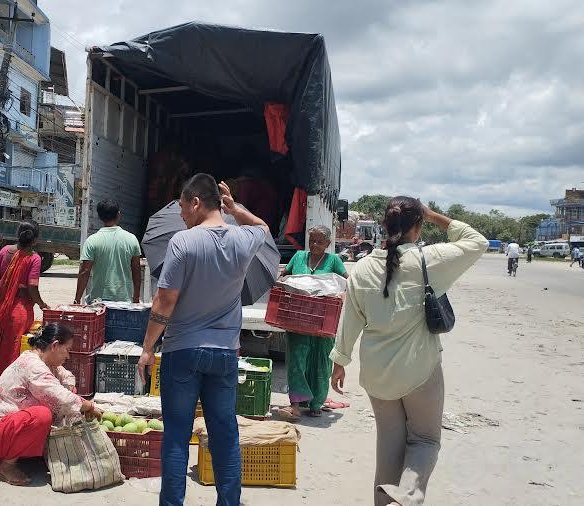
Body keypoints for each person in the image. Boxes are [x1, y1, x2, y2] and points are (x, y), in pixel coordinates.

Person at [330, 197, 487, 506]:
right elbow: (477, 241)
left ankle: (384, 502)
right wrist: (435, 216)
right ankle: (409, 494)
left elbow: (350, 320)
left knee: (389, 444)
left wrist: (341, 361)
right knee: (425, 440)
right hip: (420, 370)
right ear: (417, 227)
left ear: (384, 226)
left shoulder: (361, 268)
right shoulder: (430, 260)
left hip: (377, 373)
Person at [136, 173, 269, 506]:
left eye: (182, 207)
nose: (182, 215)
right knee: (225, 434)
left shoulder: (184, 241)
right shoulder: (243, 238)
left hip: (182, 351)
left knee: (178, 438)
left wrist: (148, 348)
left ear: (195, 202)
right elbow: (264, 228)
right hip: (225, 353)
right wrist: (236, 209)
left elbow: (164, 301)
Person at [0, 323, 103, 484]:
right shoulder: (33, 365)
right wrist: (90, 406)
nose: (68, 356)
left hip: (12, 430)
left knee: (68, 396)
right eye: (66, 350)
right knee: (42, 415)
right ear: (55, 345)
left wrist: (69, 390)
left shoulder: (46, 362)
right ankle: (6, 466)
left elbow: (67, 377)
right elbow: (62, 397)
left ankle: (24, 452)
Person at [278, 224, 348, 421]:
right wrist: (282, 281)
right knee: (297, 361)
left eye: (319, 241)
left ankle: (316, 403)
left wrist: (341, 293)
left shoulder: (333, 260)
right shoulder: (299, 256)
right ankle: (296, 404)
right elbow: (284, 275)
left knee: (321, 362)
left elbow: (347, 280)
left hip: (323, 321)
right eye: (312, 240)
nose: (314, 244)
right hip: (298, 318)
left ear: (328, 243)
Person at [0, 220, 50, 384]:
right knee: (14, 349)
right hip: (20, 310)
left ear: (18, 235)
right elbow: (32, 287)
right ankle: (10, 383)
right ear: (35, 239)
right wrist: (42, 304)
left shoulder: (4, 251)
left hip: (1, 307)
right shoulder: (34, 258)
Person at [74, 199, 142, 304]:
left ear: (99, 216)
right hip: (124, 302)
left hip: (98, 303)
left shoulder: (92, 240)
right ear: (118, 214)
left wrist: (77, 299)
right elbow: (136, 271)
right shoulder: (131, 239)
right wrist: (136, 298)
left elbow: (85, 272)